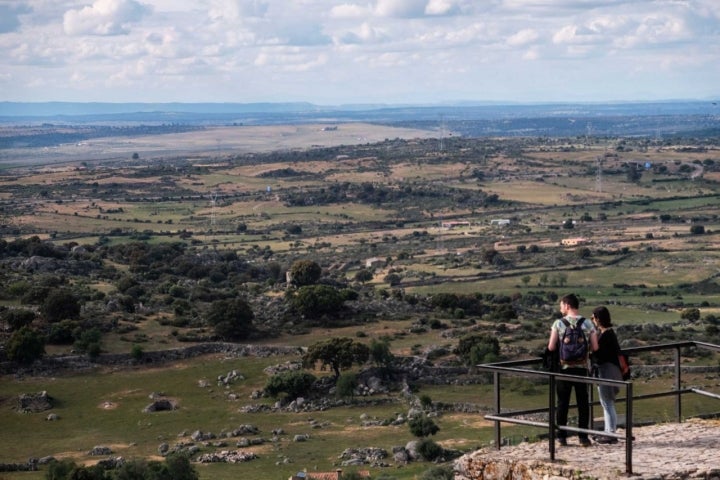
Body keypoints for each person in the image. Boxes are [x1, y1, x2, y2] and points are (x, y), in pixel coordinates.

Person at [547, 293, 598, 447]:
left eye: (561, 305)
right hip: (582, 369)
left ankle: (561, 436)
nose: (560, 308)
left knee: (562, 403)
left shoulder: (559, 323)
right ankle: (583, 437)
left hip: (564, 369)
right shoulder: (588, 323)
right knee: (583, 403)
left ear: (567, 305)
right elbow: (595, 347)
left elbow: (551, 346)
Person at [590, 306, 623, 444]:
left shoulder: (605, 335)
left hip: (606, 372)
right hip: (611, 371)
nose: (592, 320)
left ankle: (611, 434)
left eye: (593, 318)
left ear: (598, 318)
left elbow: (599, 355)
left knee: (607, 403)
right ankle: (609, 431)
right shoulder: (609, 334)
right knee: (607, 403)